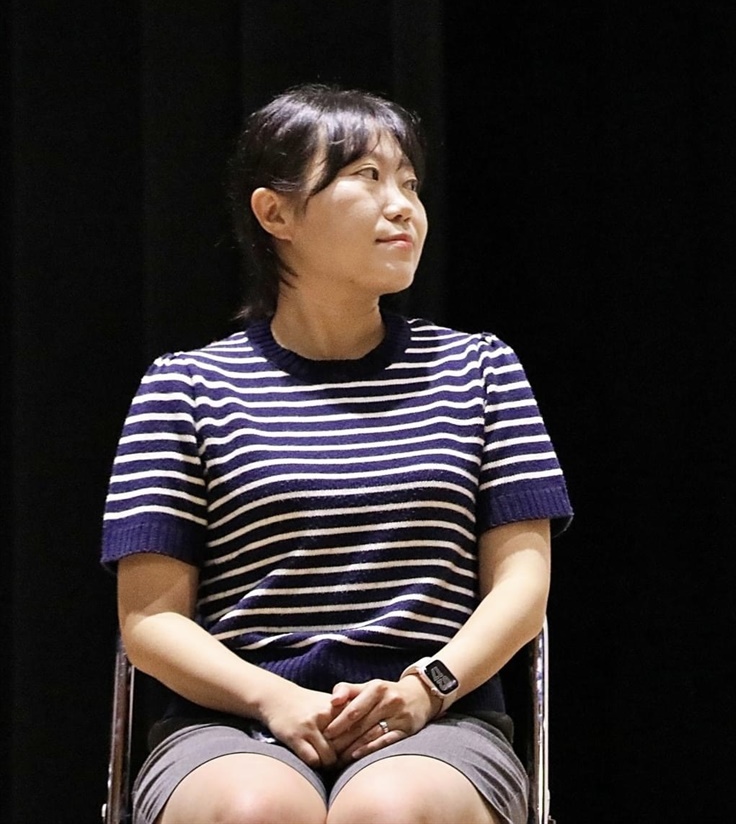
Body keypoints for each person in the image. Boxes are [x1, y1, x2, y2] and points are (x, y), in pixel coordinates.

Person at [102, 85, 573, 824]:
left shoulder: (481, 370)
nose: (403, 207)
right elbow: (151, 622)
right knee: (256, 809)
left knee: (388, 810)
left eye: (410, 183)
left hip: (439, 720)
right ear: (276, 213)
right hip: (232, 723)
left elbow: (522, 583)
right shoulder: (186, 386)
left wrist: (428, 688)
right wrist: (274, 699)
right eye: (366, 178)